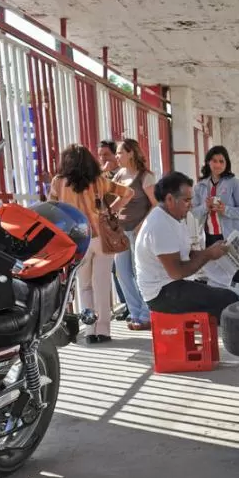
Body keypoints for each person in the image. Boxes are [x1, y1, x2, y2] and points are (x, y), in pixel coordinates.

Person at [49, 144, 133, 345]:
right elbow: (128, 192)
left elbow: (52, 208)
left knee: (85, 286)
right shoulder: (99, 181)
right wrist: (110, 210)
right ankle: (103, 330)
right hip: (100, 239)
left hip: (77, 240)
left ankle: (89, 330)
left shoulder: (58, 182)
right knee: (102, 285)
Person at [135, 171, 239, 322]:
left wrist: (211, 251)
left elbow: (187, 255)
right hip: (162, 294)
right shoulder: (160, 224)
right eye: (186, 200)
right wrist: (208, 254)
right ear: (170, 199)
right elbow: (177, 272)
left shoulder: (174, 218)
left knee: (229, 295)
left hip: (172, 286)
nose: (190, 204)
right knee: (229, 301)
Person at [113, 138, 157, 331]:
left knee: (140, 272)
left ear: (131, 153)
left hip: (139, 231)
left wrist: (142, 224)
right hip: (120, 231)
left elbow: (156, 204)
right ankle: (134, 311)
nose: (117, 156)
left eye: (120, 152)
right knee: (122, 272)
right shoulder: (119, 175)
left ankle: (146, 314)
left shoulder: (145, 176)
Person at [191, 146, 239, 286]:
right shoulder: (200, 186)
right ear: (208, 162)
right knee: (215, 275)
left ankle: (237, 305)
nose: (217, 164)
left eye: (221, 161)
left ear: (226, 164)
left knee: (235, 274)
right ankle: (219, 306)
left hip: (232, 236)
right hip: (210, 236)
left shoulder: (235, 184)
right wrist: (205, 207)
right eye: (214, 161)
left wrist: (225, 210)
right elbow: (194, 212)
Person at [97, 139, 129, 319]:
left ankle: (131, 304)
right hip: (106, 227)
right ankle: (126, 304)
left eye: (107, 155)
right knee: (114, 269)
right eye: (100, 155)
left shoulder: (120, 176)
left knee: (123, 268)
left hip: (121, 226)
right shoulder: (102, 176)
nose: (103, 159)